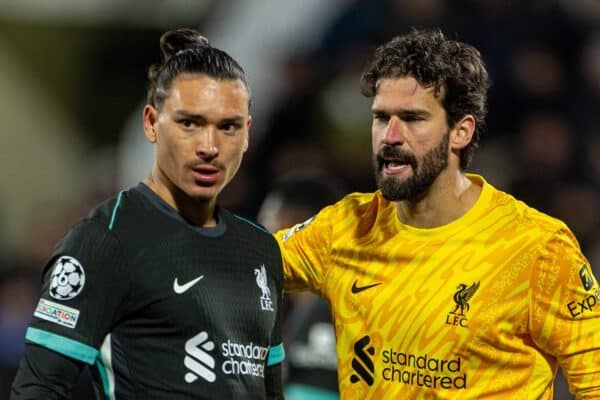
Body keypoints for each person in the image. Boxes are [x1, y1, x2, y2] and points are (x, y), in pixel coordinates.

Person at [274, 29, 600, 399]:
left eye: (413, 119)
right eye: (381, 118)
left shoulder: (537, 248)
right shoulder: (346, 227)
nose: (390, 136)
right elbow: (235, 263)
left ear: (461, 131)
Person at [11, 28, 284, 399]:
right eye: (190, 123)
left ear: (248, 133)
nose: (209, 146)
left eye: (228, 127)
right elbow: (39, 387)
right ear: (152, 123)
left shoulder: (261, 249)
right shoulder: (105, 240)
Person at [257, 171, 346, 400]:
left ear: (294, 229)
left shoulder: (333, 317)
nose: (255, 237)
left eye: (267, 221)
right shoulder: (292, 309)